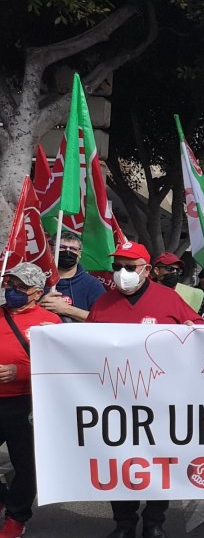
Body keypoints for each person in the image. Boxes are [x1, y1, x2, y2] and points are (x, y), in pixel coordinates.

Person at [87, 241, 202, 538]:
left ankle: (154, 521)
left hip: (161, 401)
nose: (121, 273)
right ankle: (124, 522)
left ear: (147, 270)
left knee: (158, 462)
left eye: (129, 267)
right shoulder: (103, 303)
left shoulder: (169, 299)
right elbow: (83, 345)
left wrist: (193, 329)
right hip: (115, 402)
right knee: (120, 463)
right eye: (116, 267)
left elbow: (202, 332)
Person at [0, 263, 60, 538]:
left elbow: (59, 366)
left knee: (25, 465)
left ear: (36, 292)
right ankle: (5, 497)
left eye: (21, 287)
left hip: (25, 403)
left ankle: (17, 515)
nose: (13, 291)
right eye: (10, 284)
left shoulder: (50, 322)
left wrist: (19, 371)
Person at [38, 230, 105, 322]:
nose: (68, 252)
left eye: (73, 249)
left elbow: (103, 318)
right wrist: (39, 306)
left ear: (79, 254)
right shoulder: (38, 280)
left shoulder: (92, 284)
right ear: (51, 250)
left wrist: (66, 309)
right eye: (62, 247)